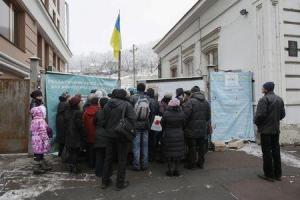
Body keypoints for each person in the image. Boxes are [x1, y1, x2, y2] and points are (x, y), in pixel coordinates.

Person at [100, 89, 136, 190]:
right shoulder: (127, 104)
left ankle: (104, 182)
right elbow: (133, 119)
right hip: (122, 135)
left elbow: (102, 121)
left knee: (108, 158)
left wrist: (108, 129)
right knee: (122, 159)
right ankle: (120, 183)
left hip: (109, 135)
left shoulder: (107, 104)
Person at [254, 82, 285, 182]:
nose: (262, 88)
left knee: (267, 152)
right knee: (276, 151)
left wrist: (256, 122)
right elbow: (282, 115)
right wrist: (274, 120)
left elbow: (260, 115)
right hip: (275, 129)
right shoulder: (279, 99)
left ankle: (269, 174)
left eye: (263, 87)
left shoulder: (264, 100)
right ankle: (278, 174)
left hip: (266, 130)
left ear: (266, 89)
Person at [183, 86, 211, 169]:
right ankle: (200, 163)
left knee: (192, 147)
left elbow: (185, 116)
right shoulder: (206, 102)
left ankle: (192, 164)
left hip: (191, 129)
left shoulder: (190, 102)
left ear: (192, 93)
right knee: (201, 147)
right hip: (202, 129)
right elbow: (208, 117)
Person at [161, 98, 185, 177]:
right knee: (178, 153)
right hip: (179, 134)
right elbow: (184, 124)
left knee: (168, 153)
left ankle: (170, 170)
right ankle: (176, 170)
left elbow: (162, 124)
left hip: (168, 134)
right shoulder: (182, 113)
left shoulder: (166, 113)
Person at [130, 83, 151, 171]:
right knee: (145, 145)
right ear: (144, 89)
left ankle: (136, 165)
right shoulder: (148, 98)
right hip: (146, 124)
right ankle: (145, 164)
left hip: (136, 125)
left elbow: (130, 111)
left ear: (137, 89)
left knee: (136, 145)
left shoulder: (133, 98)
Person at [65, 95, 86, 173]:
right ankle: (74, 167)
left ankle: (71, 166)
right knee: (75, 152)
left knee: (71, 152)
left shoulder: (67, 111)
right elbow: (79, 125)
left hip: (68, 134)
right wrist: (84, 134)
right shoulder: (78, 113)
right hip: (75, 135)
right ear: (77, 104)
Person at [30, 106, 52, 175]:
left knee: (38, 153)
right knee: (39, 154)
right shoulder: (41, 120)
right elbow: (43, 131)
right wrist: (46, 140)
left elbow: (31, 130)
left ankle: (42, 165)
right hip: (40, 139)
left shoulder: (33, 120)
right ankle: (36, 168)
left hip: (35, 139)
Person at [83, 94, 100, 168]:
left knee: (90, 150)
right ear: (97, 102)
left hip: (88, 133)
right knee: (98, 150)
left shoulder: (86, 111)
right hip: (98, 133)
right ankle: (98, 165)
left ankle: (91, 164)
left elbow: (83, 122)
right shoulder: (100, 110)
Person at [94, 97, 109, 177]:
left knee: (99, 155)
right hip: (107, 135)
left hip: (98, 134)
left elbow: (94, 122)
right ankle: (106, 172)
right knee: (107, 155)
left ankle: (98, 172)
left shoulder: (98, 112)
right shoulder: (110, 113)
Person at [147, 88, 160, 162]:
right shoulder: (156, 102)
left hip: (147, 122)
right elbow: (158, 114)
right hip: (155, 121)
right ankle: (153, 156)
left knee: (148, 140)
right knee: (153, 140)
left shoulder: (146, 101)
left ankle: (148, 156)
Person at [55, 92, 70, 157]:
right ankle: (62, 153)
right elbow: (67, 115)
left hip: (59, 121)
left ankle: (60, 152)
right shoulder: (66, 104)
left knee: (61, 138)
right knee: (63, 138)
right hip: (63, 122)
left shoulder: (60, 103)